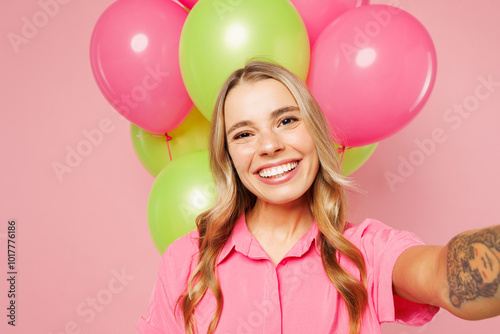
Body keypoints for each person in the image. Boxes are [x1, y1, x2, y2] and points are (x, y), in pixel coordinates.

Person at [136, 61, 500, 334]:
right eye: (244, 134)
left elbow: (444, 276)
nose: (269, 146)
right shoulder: (187, 261)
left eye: (287, 121)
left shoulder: (367, 251)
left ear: (315, 132)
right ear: (228, 155)